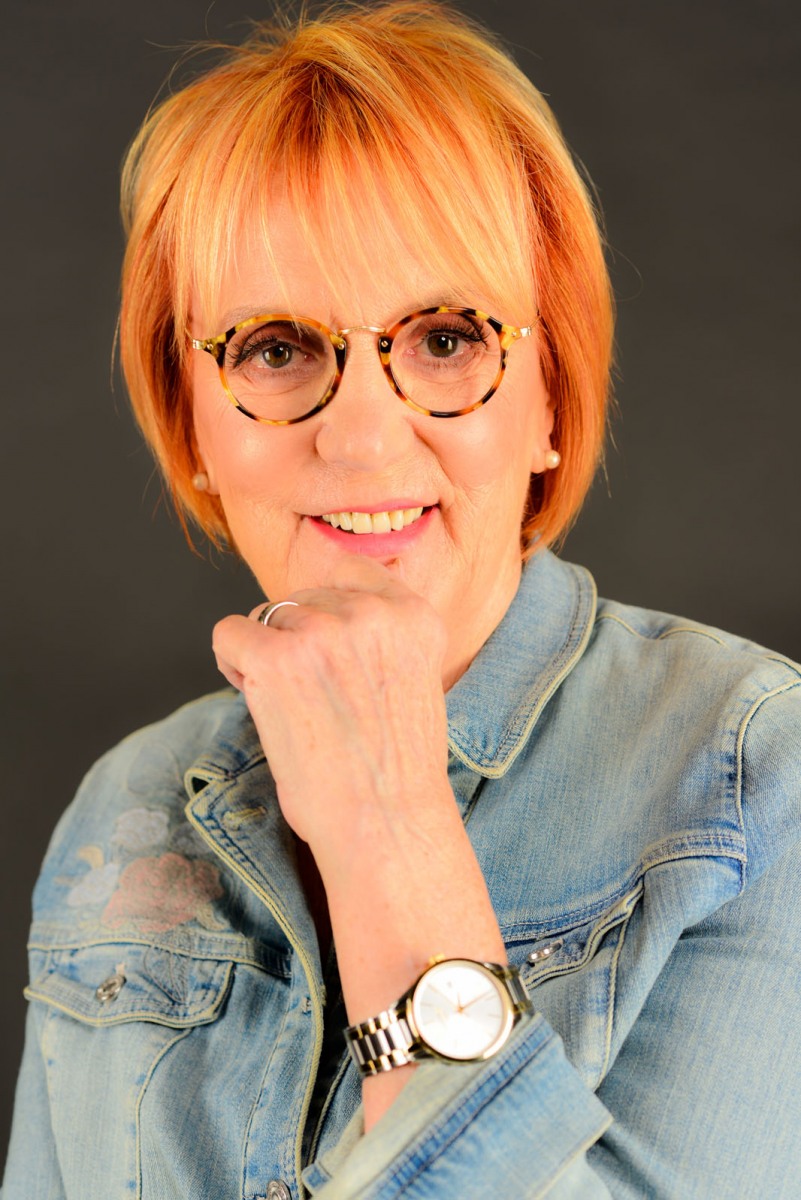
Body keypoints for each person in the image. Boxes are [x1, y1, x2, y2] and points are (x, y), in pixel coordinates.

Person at [4, 2, 801, 1196]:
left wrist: (385, 828)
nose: (365, 438)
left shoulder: (759, 779)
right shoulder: (127, 810)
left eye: (444, 339)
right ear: (194, 428)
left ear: (550, 400)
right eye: (276, 349)